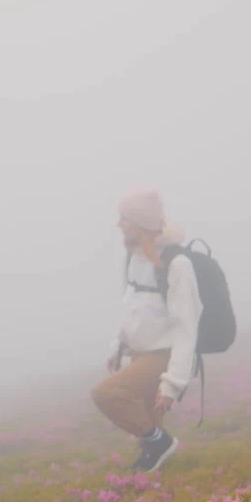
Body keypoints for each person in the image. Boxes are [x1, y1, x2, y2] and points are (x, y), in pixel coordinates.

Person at [92, 189, 202, 472]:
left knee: (106, 393)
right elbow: (132, 306)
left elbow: (186, 328)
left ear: (141, 223)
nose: (119, 225)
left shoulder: (177, 264)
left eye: (124, 219)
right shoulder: (132, 259)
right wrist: (118, 345)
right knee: (152, 433)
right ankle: (159, 478)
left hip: (163, 356)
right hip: (140, 353)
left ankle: (159, 442)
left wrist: (173, 382)